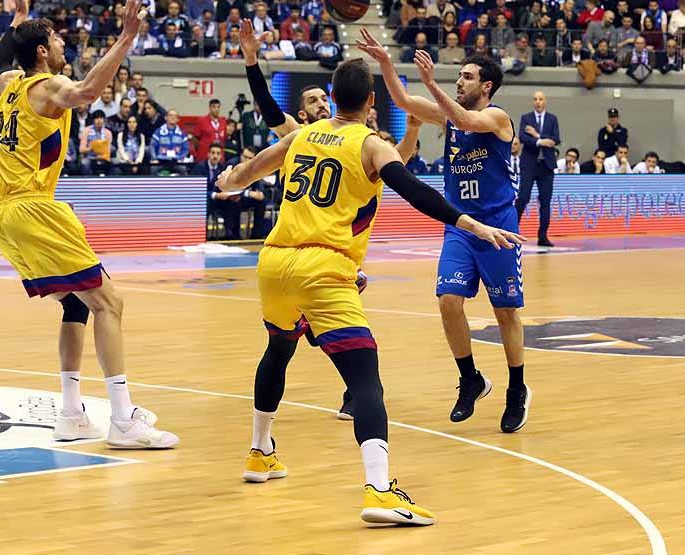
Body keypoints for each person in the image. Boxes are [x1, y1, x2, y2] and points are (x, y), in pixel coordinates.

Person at [217, 56, 523, 525]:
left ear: (333, 98)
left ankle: (260, 453)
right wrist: (470, 225)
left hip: (273, 262)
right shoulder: (372, 145)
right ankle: (380, 491)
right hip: (324, 266)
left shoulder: (301, 134)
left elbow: (252, 168)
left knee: (278, 349)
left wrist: (231, 181)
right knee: (365, 379)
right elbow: (416, 191)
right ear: (371, 101)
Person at [0, 0, 177, 449]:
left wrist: (18, 17)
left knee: (76, 302)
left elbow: (1, 63)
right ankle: (122, 420)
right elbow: (89, 91)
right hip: (33, 208)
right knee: (109, 302)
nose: (63, 45)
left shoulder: (10, 84)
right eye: (55, 40)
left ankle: (72, 413)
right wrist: (127, 36)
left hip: (1, 214)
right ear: (41, 56)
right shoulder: (46, 87)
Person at [239, 18, 420, 419]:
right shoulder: (297, 133)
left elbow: (399, 166)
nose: (321, 104)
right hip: (306, 248)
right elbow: (268, 105)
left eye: (325, 98)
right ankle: (355, 395)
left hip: (330, 250)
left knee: (318, 338)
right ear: (302, 113)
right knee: (313, 340)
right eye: (313, 102)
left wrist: (412, 130)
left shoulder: (365, 141)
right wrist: (251, 62)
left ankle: (348, 397)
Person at [357, 28, 532, 434]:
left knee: (506, 312)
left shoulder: (497, 117)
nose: (460, 80)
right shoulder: (448, 114)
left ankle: (516, 390)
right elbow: (402, 101)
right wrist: (386, 63)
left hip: (499, 227)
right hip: (459, 226)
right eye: (459, 76)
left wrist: (433, 84)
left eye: (468, 77)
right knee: (448, 301)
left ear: (486, 85)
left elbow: (466, 118)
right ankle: (470, 378)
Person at [515, 91, 559, 247]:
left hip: (546, 166)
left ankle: (543, 236)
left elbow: (555, 139)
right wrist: (541, 141)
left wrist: (536, 134)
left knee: (545, 202)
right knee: (523, 198)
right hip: (529, 165)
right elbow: (523, 137)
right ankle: (513, 231)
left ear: (545, 101)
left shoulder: (552, 119)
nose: (538, 102)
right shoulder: (526, 118)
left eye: (541, 99)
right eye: (535, 99)